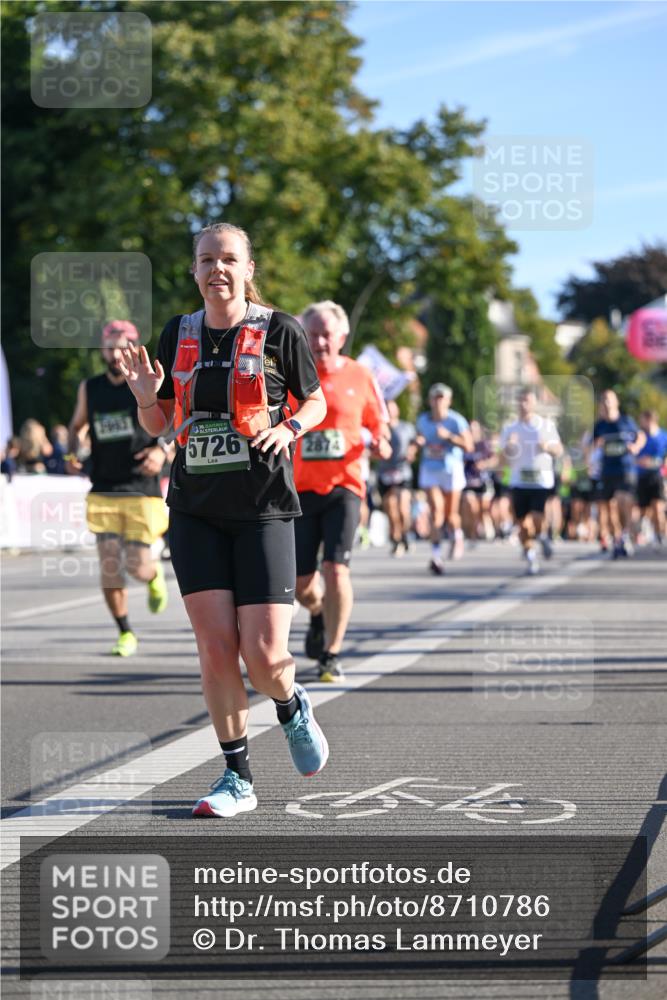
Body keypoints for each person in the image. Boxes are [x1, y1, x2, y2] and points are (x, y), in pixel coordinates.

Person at [119, 222, 329, 818]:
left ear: (247, 269)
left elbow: (314, 401)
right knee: (215, 650)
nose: (217, 269)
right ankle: (238, 776)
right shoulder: (177, 333)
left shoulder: (279, 330)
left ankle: (290, 705)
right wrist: (143, 395)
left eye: (228, 259)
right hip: (195, 511)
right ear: (193, 271)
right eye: (206, 260)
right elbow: (162, 425)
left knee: (263, 656)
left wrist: (287, 428)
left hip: (264, 508)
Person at [292, 300, 390, 682]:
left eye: (326, 334)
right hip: (299, 489)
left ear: (343, 336)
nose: (318, 342)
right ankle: (317, 613)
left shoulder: (361, 376)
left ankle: (331, 653)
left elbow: (379, 422)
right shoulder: (293, 374)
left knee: (336, 570)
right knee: (301, 586)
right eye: (312, 334)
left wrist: (382, 443)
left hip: (345, 487)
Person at [67, 321, 170, 656]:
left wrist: (161, 450)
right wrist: (71, 451)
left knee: (137, 567)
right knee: (110, 566)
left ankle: (153, 576)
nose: (113, 353)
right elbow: (76, 426)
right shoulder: (91, 387)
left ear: (134, 345)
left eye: (120, 345)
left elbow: (174, 423)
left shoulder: (148, 380)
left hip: (142, 487)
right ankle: (125, 632)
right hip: (104, 487)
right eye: (108, 346)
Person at [499, 388, 563, 575]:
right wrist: (509, 447)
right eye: (521, 401)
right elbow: (503, 459)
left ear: (534, 403)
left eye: (527, 401)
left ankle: (542, 535)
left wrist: (547, 446)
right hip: (519, 481)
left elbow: (559, 450)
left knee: (537, 518)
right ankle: (531, 557)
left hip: (540, 480)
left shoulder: (546, 425)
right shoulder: (510, 428)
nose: (523, 405)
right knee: (522, 524)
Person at [415, 383, 473, 574]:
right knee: (436, 511)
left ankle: (457, 535)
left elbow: (469, 446)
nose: (438, 402)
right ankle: (436, 555)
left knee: (450, 516)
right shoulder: (423, 420)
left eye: (442, 398)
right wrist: (418, 442)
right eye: (435, 398)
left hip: (451, 469)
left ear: (448, 401)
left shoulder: (456, 421)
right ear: (430, 400)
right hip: (430, 469)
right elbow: (419, 439)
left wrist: (449, 437)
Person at [589, 390, 645, 559]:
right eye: (603, 400)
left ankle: (626, 533)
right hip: (607, 471)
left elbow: (640, 436)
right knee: (607, 508)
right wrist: (595, 447)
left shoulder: (626, 421)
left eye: (609, 399)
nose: (606, 403)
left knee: (622, 500)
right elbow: (590, 445)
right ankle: (617, 538)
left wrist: (636, 447)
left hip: (625, 469)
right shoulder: (599, 426)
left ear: (616, 402)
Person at [376, 399, 417, 556]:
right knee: (391, 508)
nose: (390, 411)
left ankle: (406, 535)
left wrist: (412, 451)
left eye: (392, 408)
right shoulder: (380, 428)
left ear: (397, 411)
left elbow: (415, 443)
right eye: (387, 408)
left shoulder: (406, 427)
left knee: (403, 509)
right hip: (385, 472)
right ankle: (397, 539)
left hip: (402, 472)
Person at [635, 409, 667, 544]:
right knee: (644, 511)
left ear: (650, 420)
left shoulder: (664, 436)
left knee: (658, 508)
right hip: (642, 477)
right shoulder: (640, 437)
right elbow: (634, 454)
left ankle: (661, 536)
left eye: (642, 420)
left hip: (658, 477)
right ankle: (645, 532)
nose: (641, 423)